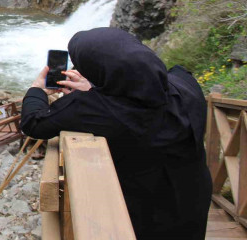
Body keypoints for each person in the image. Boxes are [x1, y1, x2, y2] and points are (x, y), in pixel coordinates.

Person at [19, 28, 211, 240]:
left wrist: (37, 88)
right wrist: (96, 87)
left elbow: (34, 123)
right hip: (193, 193)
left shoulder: (96, 109)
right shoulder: (185, 83)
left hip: (146, 207)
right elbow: (145, 89)